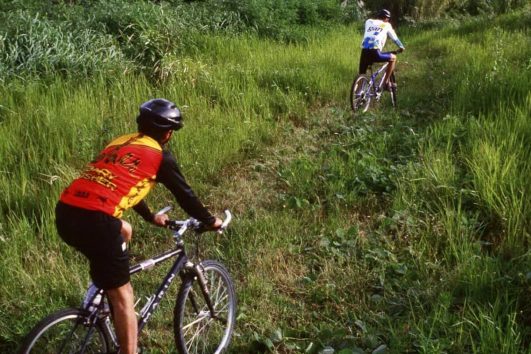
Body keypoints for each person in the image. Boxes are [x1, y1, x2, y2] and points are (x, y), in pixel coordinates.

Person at [55, 98, 222, 354]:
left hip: (66, 211)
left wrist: (149, 216)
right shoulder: (160, 156)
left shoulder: (121, 142)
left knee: (124, 230)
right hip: (96, 220)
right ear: (168, 133)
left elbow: (120, 182)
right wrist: (210, 221)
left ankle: (98, 294)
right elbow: (184, 194)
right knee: (124, 296)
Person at [359, 9, 405, 90]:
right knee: (393, 58)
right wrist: (401, 47)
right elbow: (395, 39)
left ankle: (357, 94)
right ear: (386, 18)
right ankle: (386, 83)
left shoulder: (368, 21)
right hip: (375, 52)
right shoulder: (386, 25)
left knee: (361, 74)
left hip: (364, 51)